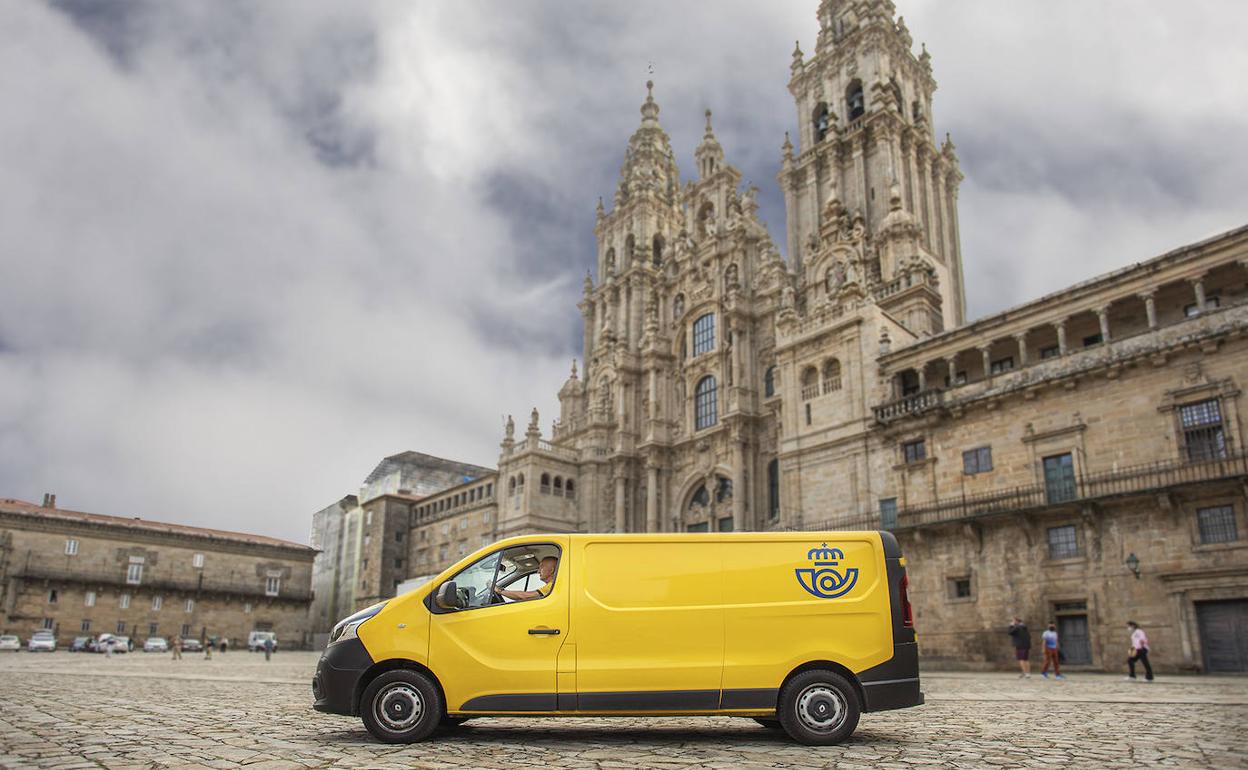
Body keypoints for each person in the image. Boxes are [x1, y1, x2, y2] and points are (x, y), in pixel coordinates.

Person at [494, 556, 559, 601]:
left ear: (551, 570)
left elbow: (525, 596)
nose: (538, 571)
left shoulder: (552, 585)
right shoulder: (552, 585)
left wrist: (500, 591)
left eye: (541, 567)